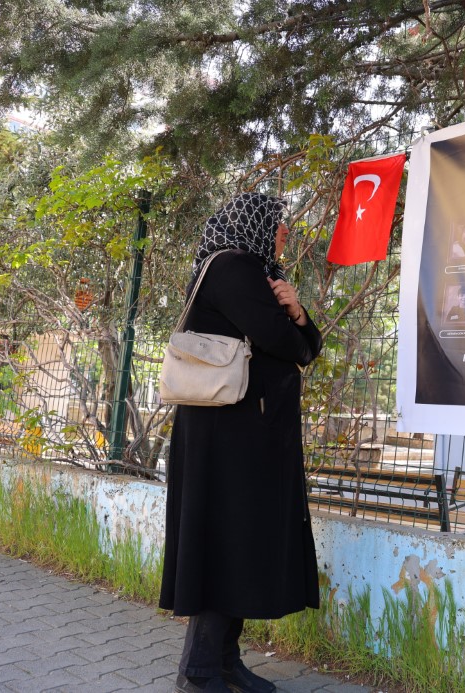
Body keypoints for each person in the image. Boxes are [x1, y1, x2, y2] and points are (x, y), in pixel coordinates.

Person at [160, 192, 323, 693]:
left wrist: (296, 311)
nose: (284, 233)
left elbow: (306, 345)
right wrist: (291, 328)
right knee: (228, 542)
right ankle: (200, 670)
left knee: (242, 543)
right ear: (252, 223)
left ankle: (225, 662)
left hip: (246, 437)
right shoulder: (231, 267)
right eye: (277, 224)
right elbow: (284, 345)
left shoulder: (258, 274)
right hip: (228, 440)